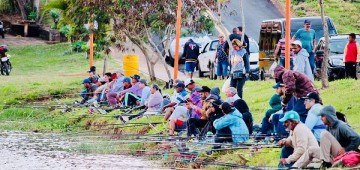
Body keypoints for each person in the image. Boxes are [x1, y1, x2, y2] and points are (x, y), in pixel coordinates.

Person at [293, 105, 360, 168]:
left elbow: (357, 138)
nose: (321, 118)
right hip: (333, 155)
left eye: (322, 116)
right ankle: (294, 167)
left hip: (344, 155)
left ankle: (326, 162)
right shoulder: (328, 127)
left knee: (324, 134)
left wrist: (346, 150)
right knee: (311, 150)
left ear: (329, 116)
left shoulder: (341, 126)